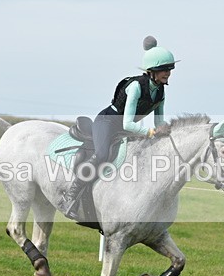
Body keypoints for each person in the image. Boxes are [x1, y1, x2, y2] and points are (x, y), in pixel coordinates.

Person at [60, 35, 177, 220]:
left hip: (125, 129)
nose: (168, 73)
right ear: (151, 70)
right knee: (102, 155)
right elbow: (128, 123)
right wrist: (152, 132)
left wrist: (168, 131)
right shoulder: (136, 87)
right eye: (164, 70)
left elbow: (158, 123)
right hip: (108, 122)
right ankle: (69, 196)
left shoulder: (161, 92)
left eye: (170, 69)